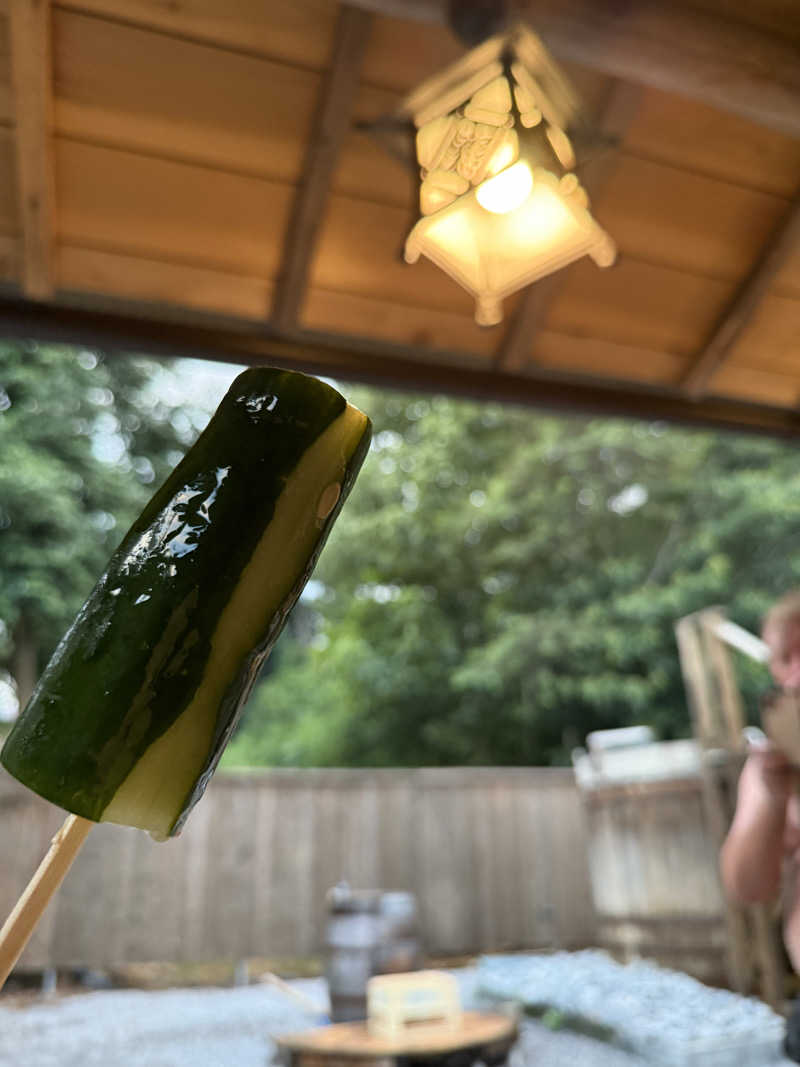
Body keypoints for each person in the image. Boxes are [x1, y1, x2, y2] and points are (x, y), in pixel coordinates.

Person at [720, 591, 800, 1058]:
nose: (796, 673)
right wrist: (772, 798)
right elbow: (747, 887)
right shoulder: (775, 761)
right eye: (785, 657)